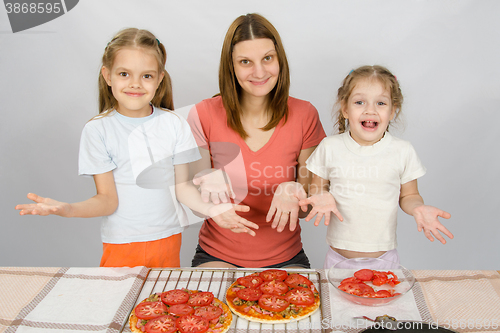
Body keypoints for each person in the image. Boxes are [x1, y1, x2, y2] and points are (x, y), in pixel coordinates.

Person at [15, 28, 247, 268]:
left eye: (146, 76)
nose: (135, 84)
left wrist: (213, 210)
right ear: (107, 76)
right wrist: (68, 209)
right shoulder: (98, 130)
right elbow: (107, 200)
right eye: (124, 73)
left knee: (163, 303)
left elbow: (183, 189)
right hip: (121, 244)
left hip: (167, 240)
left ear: (159, 79)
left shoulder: (174, 124)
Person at [187, 13, 326, 268]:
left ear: (279, 60)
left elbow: (309, 206)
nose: (259, 71)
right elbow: (195, 204)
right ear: (231, 67)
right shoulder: (203, 114)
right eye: (245, 62)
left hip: (286, 259)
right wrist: (207, 185)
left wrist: (294, 191)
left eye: (267, 58)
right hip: (217, 255)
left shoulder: (305, 115)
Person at [298, 65, 454, 269]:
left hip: (385, 261)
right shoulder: (330, 147)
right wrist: (321, 195)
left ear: (392, 111)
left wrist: (418, 207)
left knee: (385, 302)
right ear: (345, 109)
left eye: (380, 103)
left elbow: (409, 196)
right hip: (338, 260)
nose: (370, 110)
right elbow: (316, 187)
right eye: (359, 102)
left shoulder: (402, 151)